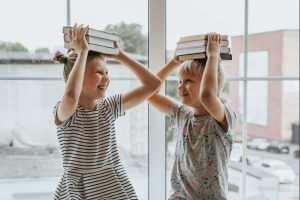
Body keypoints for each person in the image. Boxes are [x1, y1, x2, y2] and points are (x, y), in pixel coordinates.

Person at [52, 24, 161, 200]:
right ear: (77, 75)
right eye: (99, 72)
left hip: (112, 185)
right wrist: (82, 53)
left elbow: (153, 85)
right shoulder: (66, 112)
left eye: (107, 72)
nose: (106, 77)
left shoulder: (108, 107)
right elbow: (71, 96)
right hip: (79, 190)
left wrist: (121, 56)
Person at [148, 33, 237, 199]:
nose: (180, 86)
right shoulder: (183, 115)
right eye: (179, 81)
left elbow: (207, 97)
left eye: (188, 80)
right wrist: (173, 63)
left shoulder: (222, 117)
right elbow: (149, 93)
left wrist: (213, 56)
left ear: (209, 84)